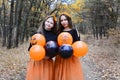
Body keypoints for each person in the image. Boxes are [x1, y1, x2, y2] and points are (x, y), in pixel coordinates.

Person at [54, 12, 84, 80]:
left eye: (65, 20)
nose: (63, 22)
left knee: (71, 76)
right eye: (61, 20)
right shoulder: (59, 31)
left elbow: (77, 44)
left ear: (69, 20)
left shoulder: (74, 30)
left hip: (71, 57)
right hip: (60, 57)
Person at [26, 15, 58, 80]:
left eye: (51, 23)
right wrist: (37, 54)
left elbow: (56, 51)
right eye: (48, 21)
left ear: (53, 25)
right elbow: (30, 49)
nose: (49, 24)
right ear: (44, 22)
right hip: (36, 61)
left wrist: (49, 57)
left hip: (47, 62)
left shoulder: (54, 36)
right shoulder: (37, 34)